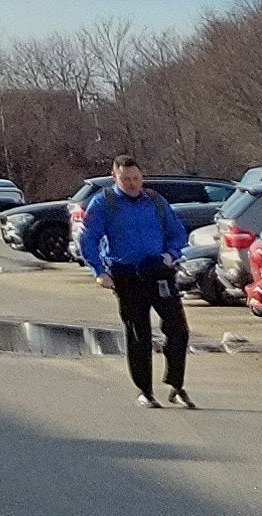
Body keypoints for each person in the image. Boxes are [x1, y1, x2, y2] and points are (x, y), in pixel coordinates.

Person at [77, 157, 195, 408]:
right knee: (138, 334)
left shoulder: (155, 201)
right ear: (114, 177)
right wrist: (98, 271)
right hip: (126, 275)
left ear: (142, 176)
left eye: (135, 178)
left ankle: (176, 385)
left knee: (178, 330)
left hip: (159, 272)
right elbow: (88, 239)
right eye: (125, 179)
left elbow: (177, 232)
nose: (131, 184)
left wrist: (172, 254)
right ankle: (145, 390)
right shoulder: (104, 203)